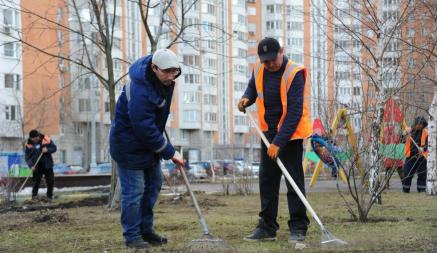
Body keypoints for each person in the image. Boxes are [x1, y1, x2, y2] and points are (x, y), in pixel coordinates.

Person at [237, 37, 312, 244]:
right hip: (267, 135)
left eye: (272, 60)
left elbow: (294, 112)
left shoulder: (294, 73)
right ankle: (267, 227)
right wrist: (246, 98)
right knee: (267, 182)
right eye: (265, 61)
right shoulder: (259, 69)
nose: (270, 64)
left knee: (293, 182)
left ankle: (298, 227)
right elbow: (253, 88)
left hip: (289, 136)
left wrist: (279, 142)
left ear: (282, 51)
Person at [109, 49, 184, 249]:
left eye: (174, 72)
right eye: (166, 71)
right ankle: (132, 236)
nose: (171, 76)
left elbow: (153, 117)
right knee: (134, 191)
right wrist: (170, 152)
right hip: (128, 145)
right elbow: (144, 127)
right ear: (154, 68)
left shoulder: (162, 81)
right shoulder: (141, 89)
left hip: (147, 146)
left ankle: (145, 229)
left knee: (153, 185)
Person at [24, 129, 57, 201]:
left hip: (47, 164)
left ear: (38, 136)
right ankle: (34, 196)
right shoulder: (28, 144)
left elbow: (54, 148)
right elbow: (27, 157)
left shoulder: (46, 139)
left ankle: (49, 196)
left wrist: (47, 150)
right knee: (36, 181)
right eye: (33, 139)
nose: (34, 141)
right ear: (30, 138)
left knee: (50, 180)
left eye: (35, 139)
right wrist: (31, 165)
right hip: (37, 166)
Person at [402, 116, 428, 193]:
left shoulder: (426, 132)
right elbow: (401, 141)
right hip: (410, 155)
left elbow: (429, 143)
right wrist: (403, 135)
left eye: (422, 124)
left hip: (422, 156)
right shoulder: (408, 131)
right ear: (416, 123)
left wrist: (423, 148)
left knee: (422, 174)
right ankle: (406, 190)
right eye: (419, 124)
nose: (420, 126)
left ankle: (421, 190)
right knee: (407, 173)